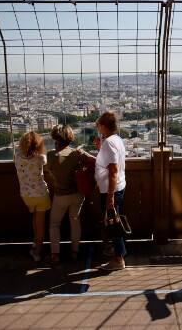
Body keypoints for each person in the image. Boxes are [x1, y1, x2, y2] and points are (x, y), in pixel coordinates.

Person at [46, 125, 95, 264]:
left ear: (56, 138)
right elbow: (96, 161)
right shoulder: (77, 154)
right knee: (75, 221)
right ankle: (75, 251)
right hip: (77, 194)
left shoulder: (51, 155)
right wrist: (84, 153)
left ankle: (55, 254)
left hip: (60, 195)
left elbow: (50, 171)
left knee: (54, 224)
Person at [95, 111, 127, 271]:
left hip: (111, 190)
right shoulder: (116, 140)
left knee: (113, 225)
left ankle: (118, 259)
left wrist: (110, 196)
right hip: (118, 186)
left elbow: (113, 170)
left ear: (103, 125)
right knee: (115, 223)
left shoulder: (109, 143)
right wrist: (101, 149)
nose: (97, 128)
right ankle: (117, 252)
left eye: (98, 125)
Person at [14, 131, 51, 262]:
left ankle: (35, 241)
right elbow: (45, 160)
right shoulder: (41, 158)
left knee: (34, 217)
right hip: (40, 194)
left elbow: (20, 149)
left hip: (26, 195)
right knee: (40, 222)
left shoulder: (17, 156)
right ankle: (38, 251)